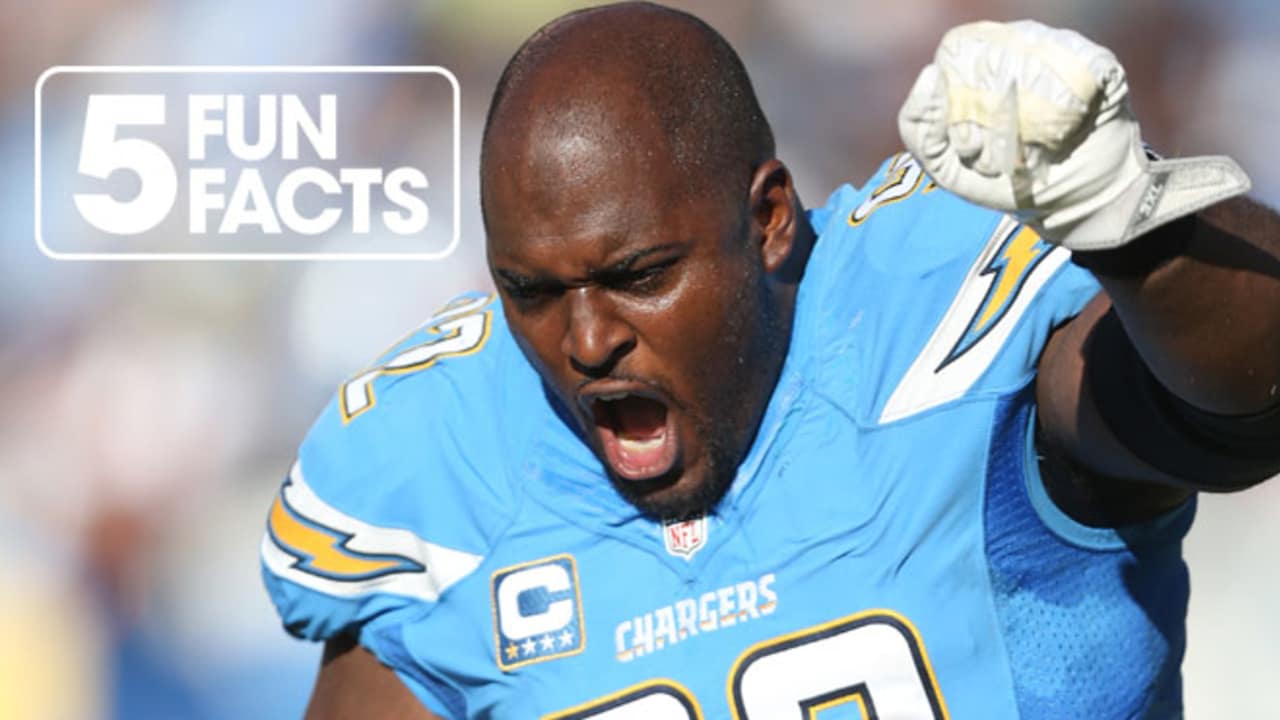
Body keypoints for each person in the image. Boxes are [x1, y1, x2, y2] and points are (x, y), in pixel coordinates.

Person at [260, 4, 1280, 718]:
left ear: (768, 219)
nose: (583, 340)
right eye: (531, 291)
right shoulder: (448, 466)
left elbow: (1244, 413)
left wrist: (1128, 229)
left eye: (638, 272)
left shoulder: (929, 314)